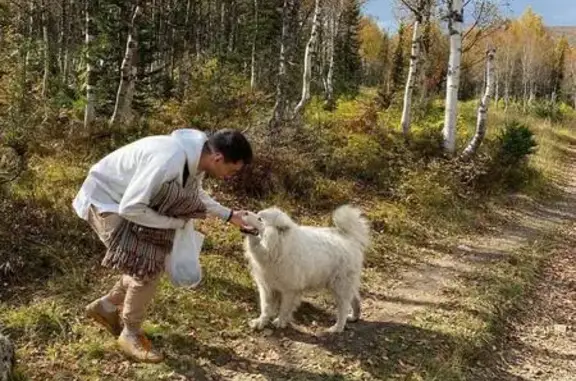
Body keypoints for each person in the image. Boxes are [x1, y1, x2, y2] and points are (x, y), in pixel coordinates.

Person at [72, 128, 254, 363]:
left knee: (144, 263)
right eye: (232, 170)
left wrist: (229, 215)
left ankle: (105, 307)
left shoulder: (197, 157)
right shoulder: (168, 158)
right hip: (105, 201)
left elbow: (196, 194)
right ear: (218, 158)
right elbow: (131, 207)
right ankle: (130, 334)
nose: (230, 176)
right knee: (146, 267)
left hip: (125, 201)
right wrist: (172, 223)